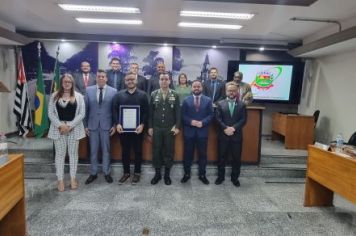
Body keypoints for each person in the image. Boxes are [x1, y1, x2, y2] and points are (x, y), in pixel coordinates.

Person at [48, 74, 86, 192]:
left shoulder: (79, 96)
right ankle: (60, 180)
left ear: (72, 83)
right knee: (59, 155)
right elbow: (50, 113)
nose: (67, 83)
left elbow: (81, 113)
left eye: (69, 81)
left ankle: (73, 179)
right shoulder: (54, 96)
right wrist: (61, 125)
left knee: (73, 155)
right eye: (65, 81)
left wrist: (69, 125)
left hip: (74, 129)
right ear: (61, 82)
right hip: (58, 129)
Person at [113, 72, 149, 184]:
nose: (130, 81)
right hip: (123, 130)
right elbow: (114, 110)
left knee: (138, 151)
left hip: (138, 129)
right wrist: (117, 123)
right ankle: (126, 173)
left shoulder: (143, 95)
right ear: (125, 81)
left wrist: (142, 125)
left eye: (132, 79)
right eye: (128, 79)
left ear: (136, 81)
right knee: (125, 152)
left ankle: (137, 173)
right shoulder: (119, 95)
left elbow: (146, 112)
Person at [84, 69, 117, 185]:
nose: (101, 78)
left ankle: (106, 173)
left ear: (106, 78)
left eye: (103, 76)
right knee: (93, 150)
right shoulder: (88, 90)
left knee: (106, 151)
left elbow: (114, 111)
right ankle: (93, 173)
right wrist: (85, 125)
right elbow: (86, 109)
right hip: (92, 126)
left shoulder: (114, 91)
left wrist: (114, 125)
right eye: (99, 76)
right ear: (96, 78)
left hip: (106, 126)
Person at [148, 72, 181, 185]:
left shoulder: (175, 94)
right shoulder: (153, 94)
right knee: (156, 151)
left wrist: (177, 127)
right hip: (157, 128)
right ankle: (157, 174)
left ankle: (167, 175)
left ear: (170, 81)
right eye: (162, 79)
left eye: (166, 79)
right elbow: (150, 113)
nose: (164, 81)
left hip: (169, 129)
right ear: (159, 81)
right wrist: (150, 127)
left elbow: (178, 113)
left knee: (169, 151)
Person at [181, 80, 213, 185]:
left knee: (203, 154)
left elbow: (211, 115)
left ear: (201, 88)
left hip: (202, 132)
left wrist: (202, 123)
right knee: (187, 154)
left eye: (198, 86)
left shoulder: (208, 100)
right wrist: (191, 122)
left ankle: (202, 175)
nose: (196, 88)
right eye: (194, 86)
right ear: (191, 88)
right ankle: (186, 174)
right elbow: (183, 115)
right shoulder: (186, 100)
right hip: (189, 132)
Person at [215, 82, 247, 187]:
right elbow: (217, 119)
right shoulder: (220, 104)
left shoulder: (242, 105)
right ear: (226, 91)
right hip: (223, 135)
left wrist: (233, 128)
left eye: (233, 90)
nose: (231, 92)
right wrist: (225, 128)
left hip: (236, 135)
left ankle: (235, 178)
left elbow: (244, 119)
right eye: (229, 90)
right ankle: (220, 177)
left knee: (236, 158)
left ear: (237, 92)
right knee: (221, 157)